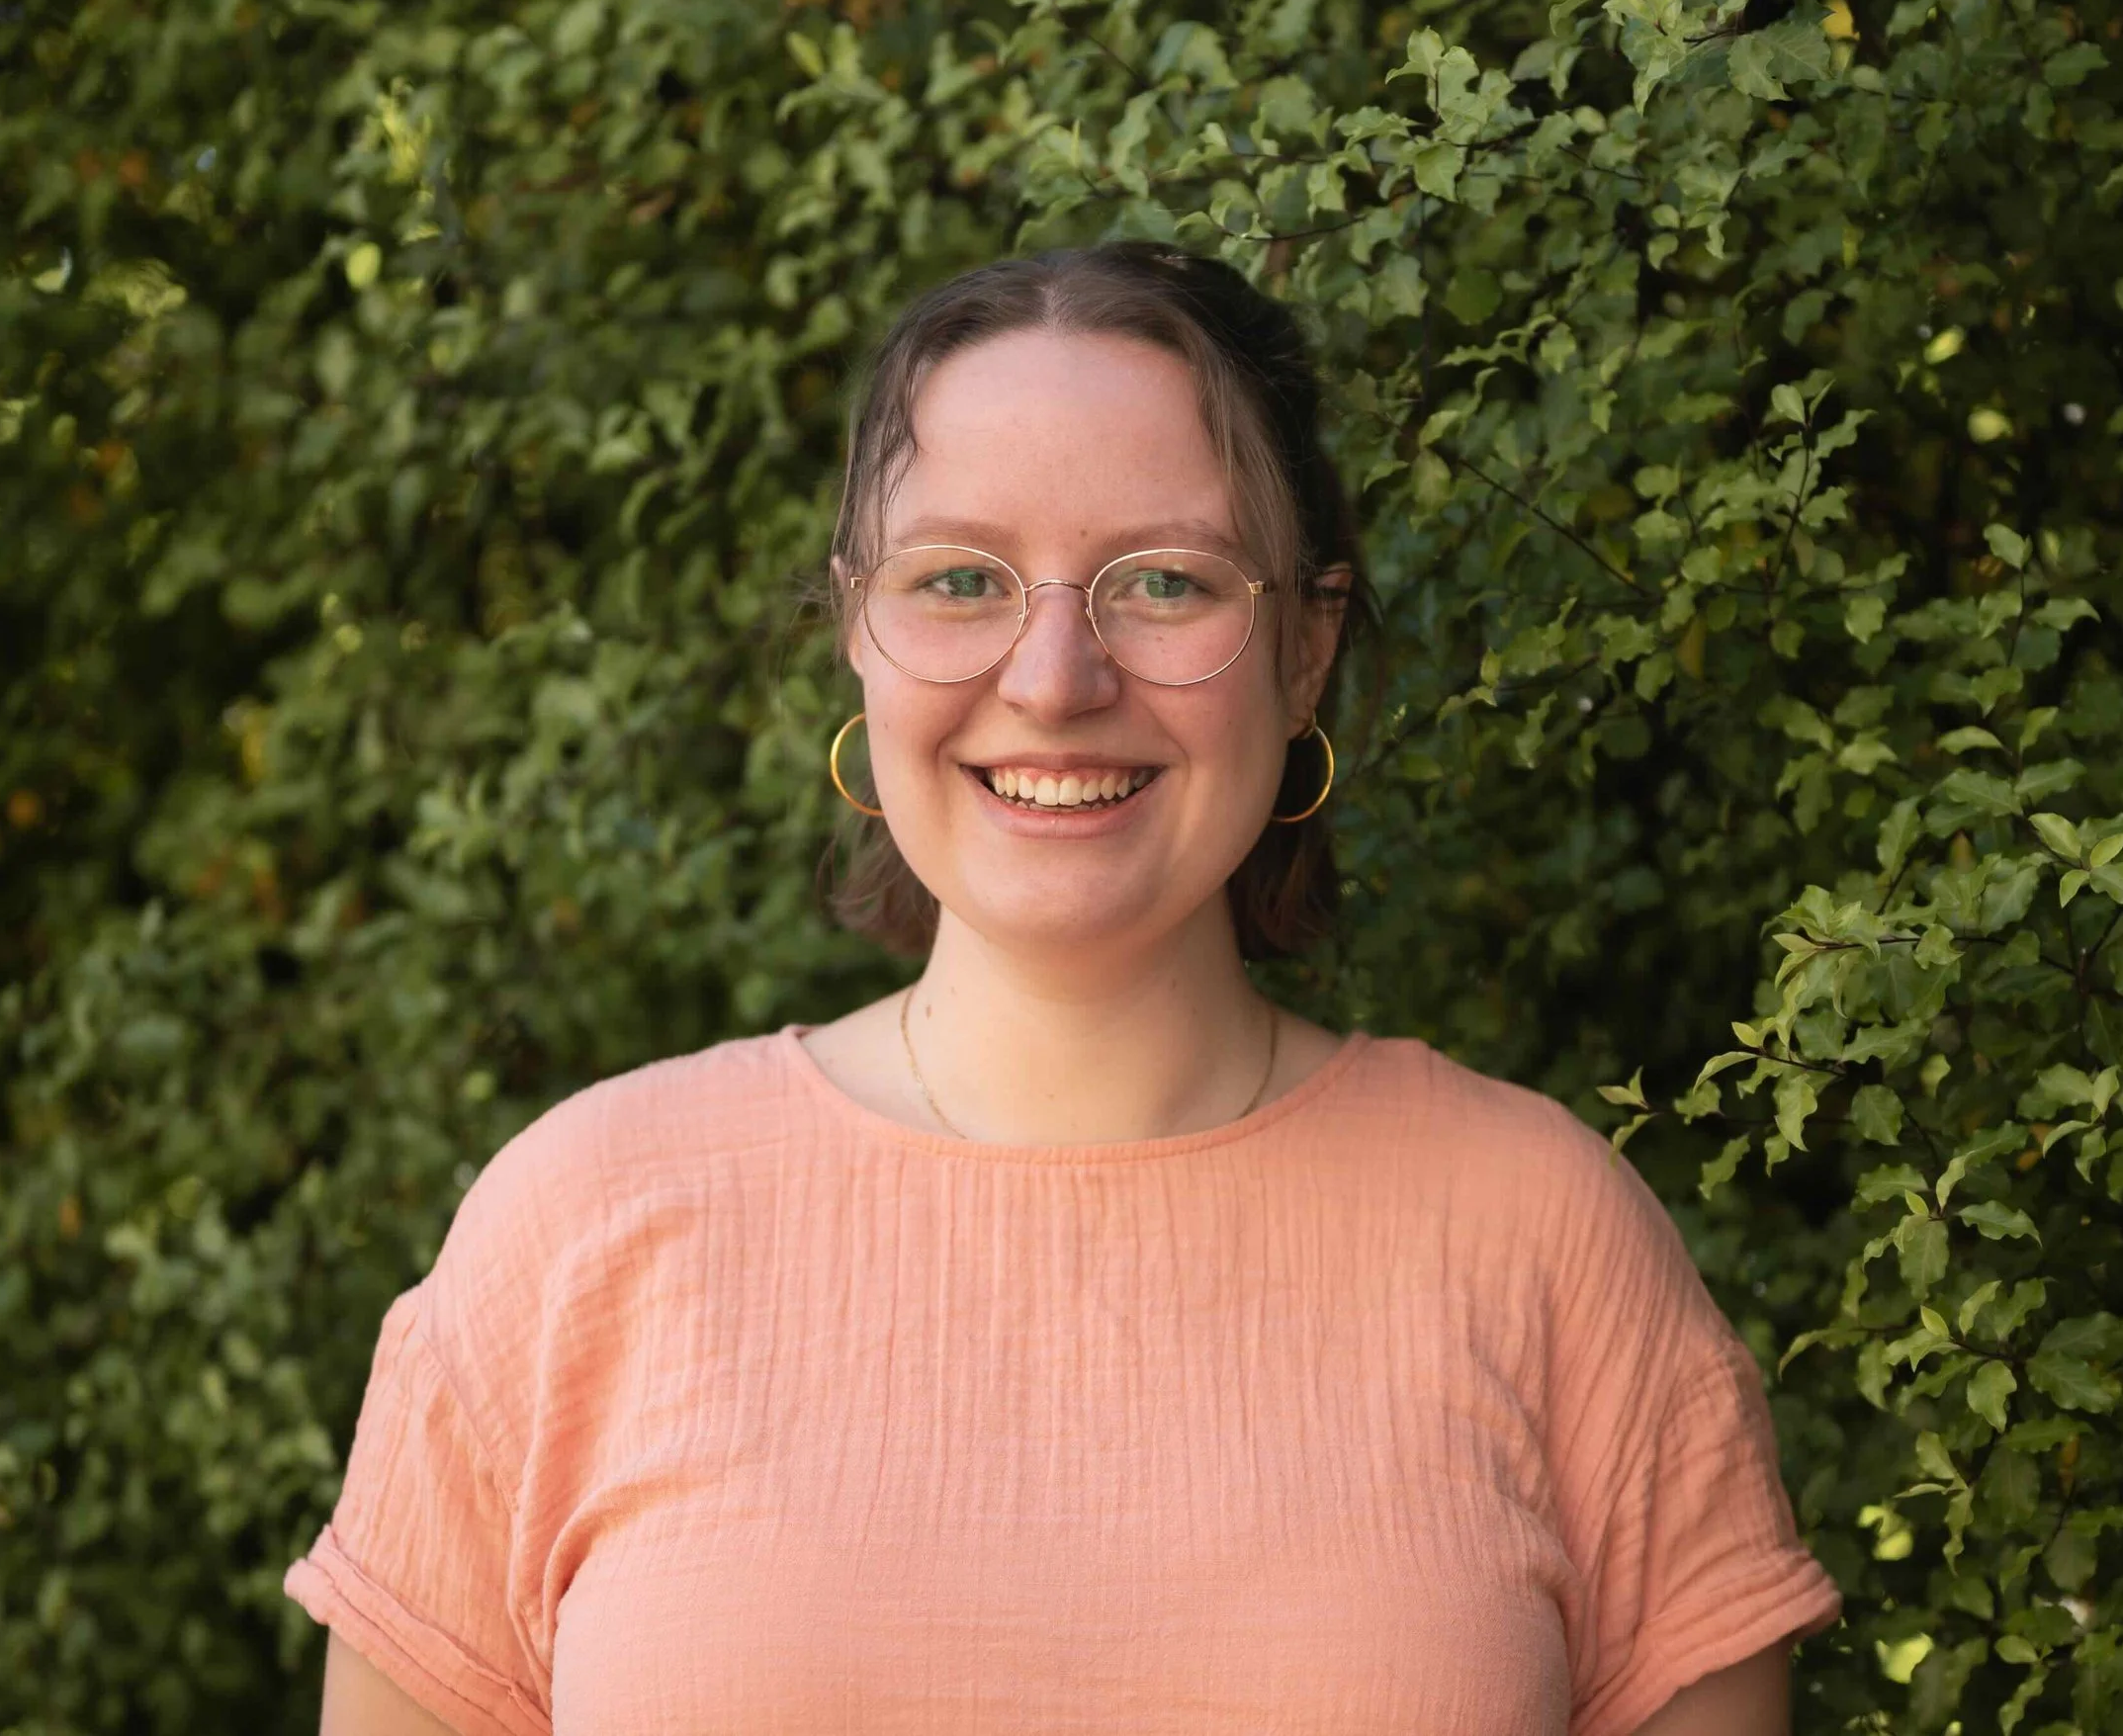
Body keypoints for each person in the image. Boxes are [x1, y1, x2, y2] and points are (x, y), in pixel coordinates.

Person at [286, 241, 1842, 1735]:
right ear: (858, 631)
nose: (1053, 681)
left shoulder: (1550, 1244)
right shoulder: (578, 1231)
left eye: (1164, 583)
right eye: (961, 578)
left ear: (1306, 651)